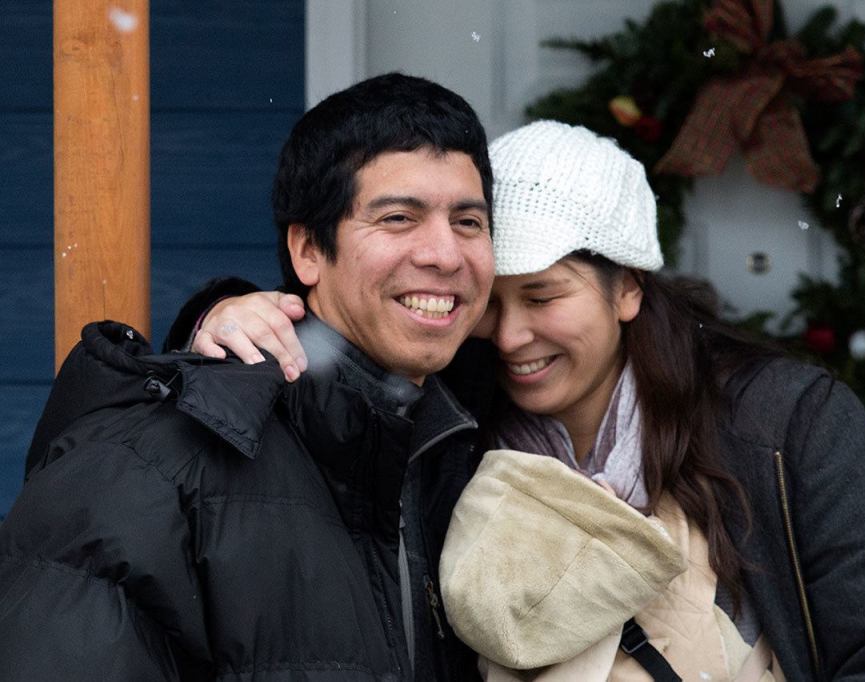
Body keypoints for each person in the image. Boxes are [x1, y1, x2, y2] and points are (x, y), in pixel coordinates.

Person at [181, 122, 865, 680]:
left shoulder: (777, 420)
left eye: (545, 297)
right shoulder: (447, 424)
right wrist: (222, 313)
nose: (512, 334)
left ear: (626, 288)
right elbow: (329, 372)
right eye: (493, 300)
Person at [0, 73, 496, 681]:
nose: (445, 254)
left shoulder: (472, 461)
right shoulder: (145, 468)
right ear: (308, 250)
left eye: (469, 223)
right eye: (398, 217)